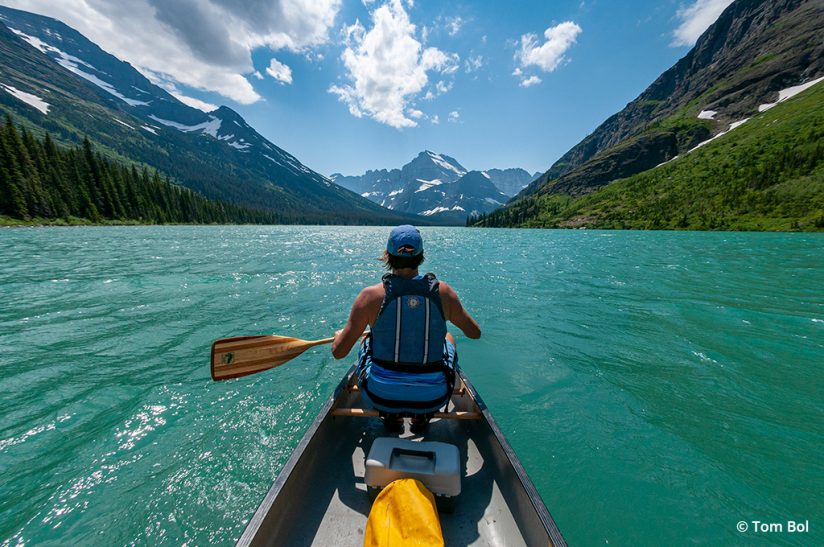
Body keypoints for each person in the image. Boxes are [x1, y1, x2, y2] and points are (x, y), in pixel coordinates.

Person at [332, 225, 481, 431]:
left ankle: (391, 416)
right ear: (421, 256)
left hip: (380, 395)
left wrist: (338, 337)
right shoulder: (443, 293)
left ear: (387, 256)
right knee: (448, 336)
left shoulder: (369, 297)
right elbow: (475, 333)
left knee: (365, 340)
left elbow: (339, 352)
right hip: (433, 397)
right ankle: (422, 416)